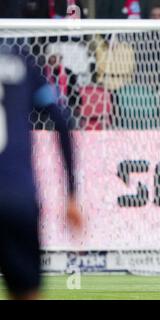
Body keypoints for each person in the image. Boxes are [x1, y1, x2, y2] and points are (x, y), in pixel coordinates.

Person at [0, 45, 82, 300]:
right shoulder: (21, 60)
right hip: (18, 197)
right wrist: (71, 194)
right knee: (27, 293)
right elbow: (60, 121)